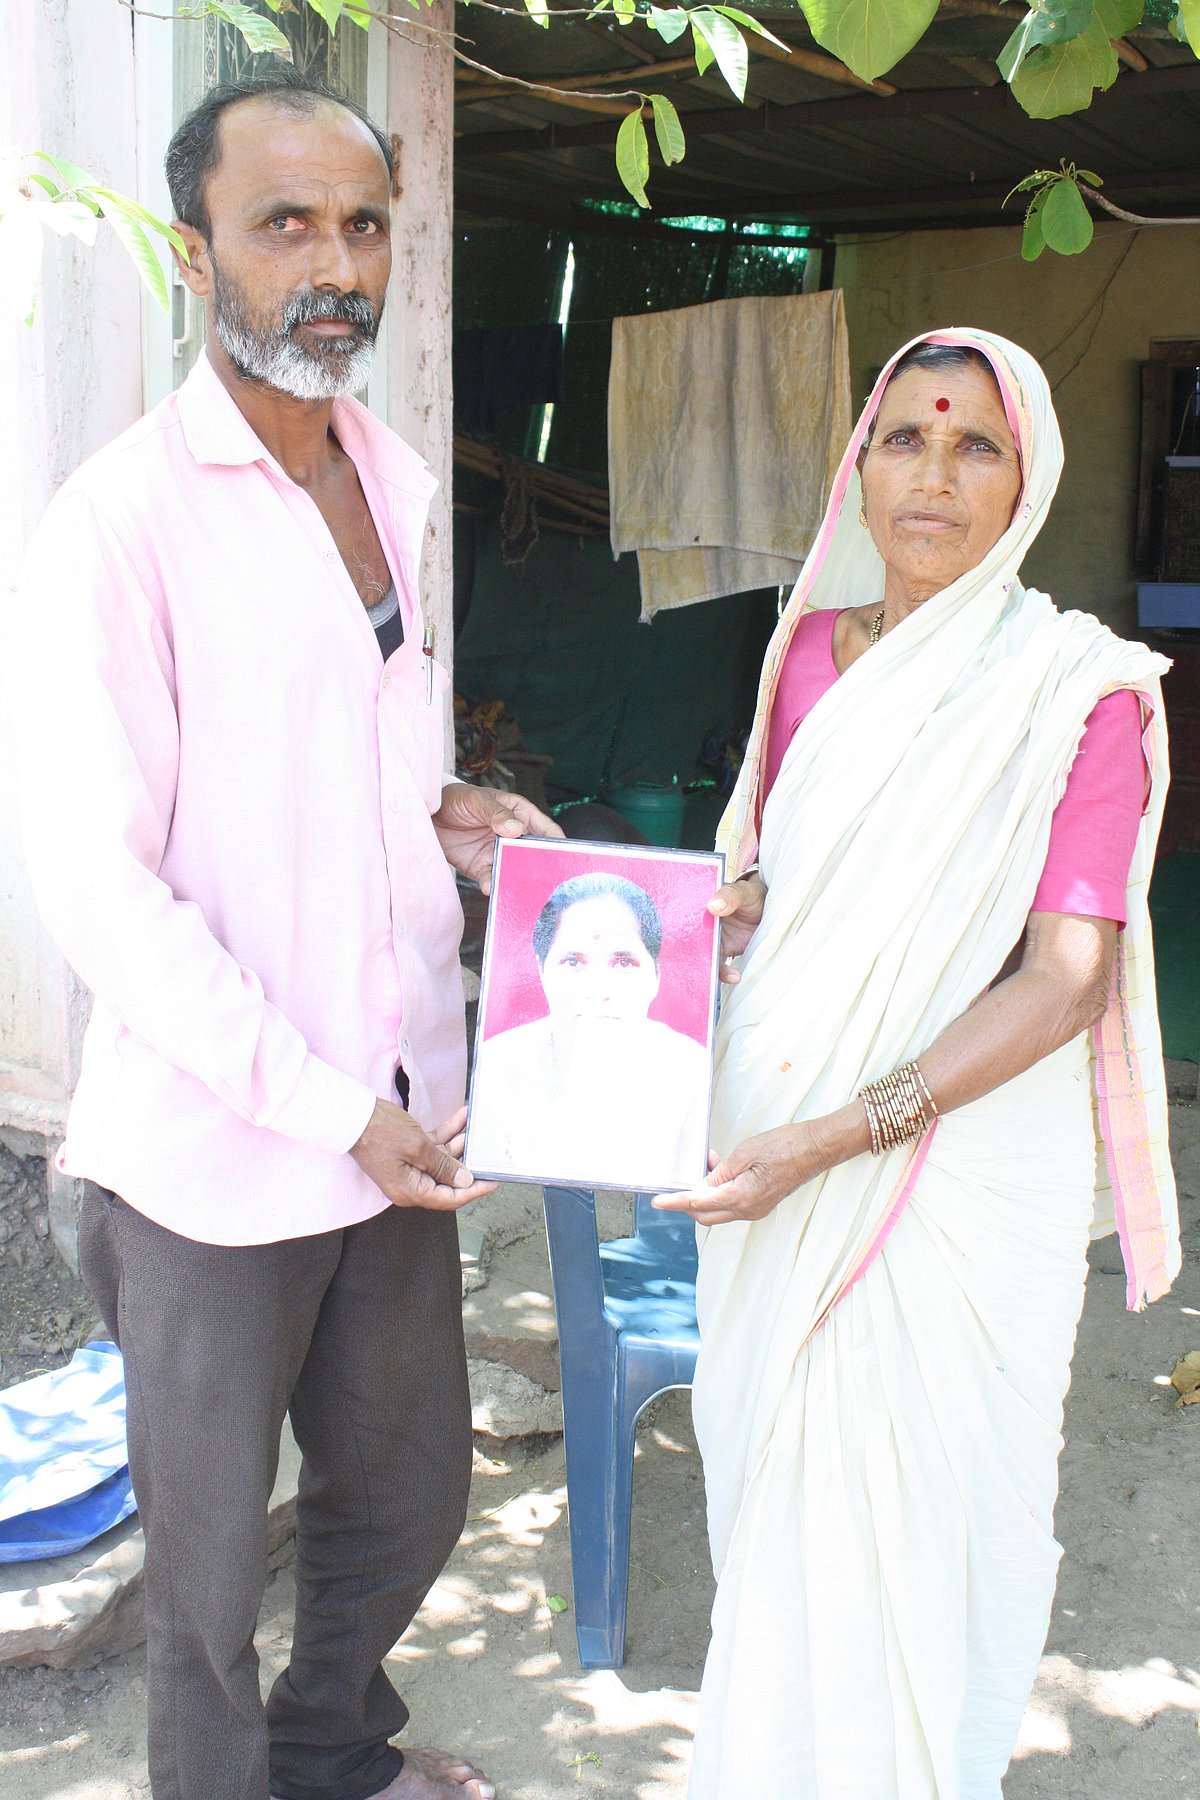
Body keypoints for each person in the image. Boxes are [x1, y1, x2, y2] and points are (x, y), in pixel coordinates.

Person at [9, 68, 562, 1800]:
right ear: (196, 252)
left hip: (396, 1116)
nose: (335, 264)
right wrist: (326, 1107)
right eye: (286, 224)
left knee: (404, 1497)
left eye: (364, 225)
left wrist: (455, 820)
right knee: (199, 1584)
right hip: (218, 1150)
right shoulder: (119, 523)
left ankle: (334, 1755)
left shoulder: (386, 479)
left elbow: (334, 771)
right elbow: (102, 889)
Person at [654, 329, 1181, 1797]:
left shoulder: (1079, 692)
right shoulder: (806, 655)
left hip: (955, 1164)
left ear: (1027, 481)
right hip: (772, 1128)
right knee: (784, 1502)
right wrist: (745, 906)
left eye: (975, 444)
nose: (934, 475)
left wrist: (838, 1136)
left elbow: (1065, 978)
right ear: (861, 469)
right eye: (905, 438)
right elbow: (791, 867)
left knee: (928, 1521)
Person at [468, 873, 711, 1189]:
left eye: (623, 963)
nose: (597, 990)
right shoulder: (499, 1063)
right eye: (573, 962)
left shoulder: (690, 1069)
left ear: (656, 976)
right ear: (541, 971)